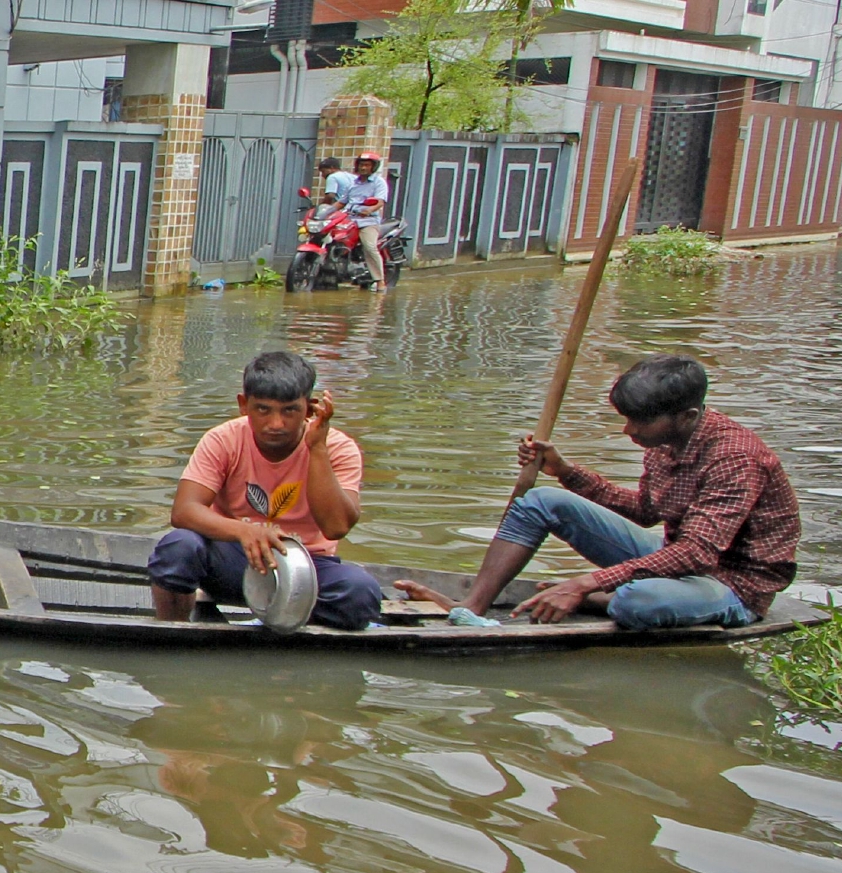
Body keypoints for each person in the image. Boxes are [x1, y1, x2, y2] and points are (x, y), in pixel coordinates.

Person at [395, 355, 800, 630]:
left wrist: (585, 584)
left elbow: (697, 553)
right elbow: (645, 511)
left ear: (687, 417)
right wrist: (565, 472)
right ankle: (473, 608)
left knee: (640, 602)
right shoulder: (665, 444)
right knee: (539, 501)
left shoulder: (735, 458)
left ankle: (601, 597)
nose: (630, 432)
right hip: (678, 561)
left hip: (733, 586)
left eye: (640, 422)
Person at [148, 351, 384, 630]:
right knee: (178, 548)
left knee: (361, 594)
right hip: (237, 560)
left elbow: (336, 527)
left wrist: (317, 449)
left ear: (309, 409)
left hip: (307, 567)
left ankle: (287, 623)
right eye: (263, 410)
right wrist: (245, 531)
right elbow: (185, 512)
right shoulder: (223, 439)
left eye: (289, 411)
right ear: (243, 405)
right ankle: (172, 632)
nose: (276, 424)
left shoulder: (338, 448)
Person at [343, 152, 390, 292]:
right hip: (349, 219)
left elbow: (380, 202)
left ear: (373, 167)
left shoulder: (378, 182)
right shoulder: (352, 183)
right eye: (361, 164)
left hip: (367, 221)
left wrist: (369, 210)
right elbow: (341, 202)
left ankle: (380, 280)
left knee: (369, 246)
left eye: (367, 165)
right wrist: (324, 212)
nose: (363, 168)